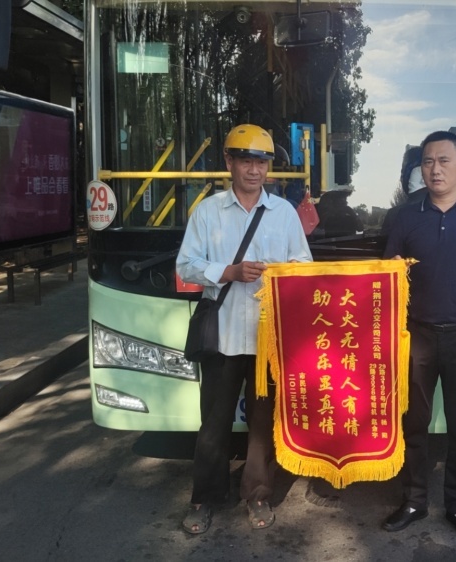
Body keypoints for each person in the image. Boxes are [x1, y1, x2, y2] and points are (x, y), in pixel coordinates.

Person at [176, 124, 312, 534]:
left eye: (261, 162)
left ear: (268, 168)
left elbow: (304, 266)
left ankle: (258, 495)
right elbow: (186, 266)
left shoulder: (284, 213)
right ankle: (204, 498)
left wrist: (283, 273)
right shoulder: (208, 211)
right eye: (246, 161)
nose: (254, 170)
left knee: (262, 424)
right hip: (223, 336)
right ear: (229, 162)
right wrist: (229, 272)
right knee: (213, 424)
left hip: (268, 339)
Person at [381, 131, 456, 542]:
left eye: (444, 161)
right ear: (420, 168)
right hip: (416, 335)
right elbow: (387, 279)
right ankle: (414, 501)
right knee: (413, 423)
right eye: (428, 161)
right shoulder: (405, 218)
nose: (435, 169)